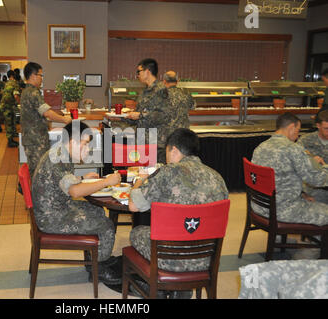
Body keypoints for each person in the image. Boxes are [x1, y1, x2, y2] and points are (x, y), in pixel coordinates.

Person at [128, 128, 229, 298]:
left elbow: (133, 206)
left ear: (174, 150)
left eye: (166, 152)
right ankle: (180, 290)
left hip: (169, 258)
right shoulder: (218, 177)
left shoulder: (168, 172)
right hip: (206, 258)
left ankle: (158, 287)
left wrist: (138, 183)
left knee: (136, 232)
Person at [32, 121, 122, 285]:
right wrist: (107, 181)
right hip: (52, 218)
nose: (87, 149)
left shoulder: (60, 153)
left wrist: (81, 178)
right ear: (72, 142)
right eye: (85, 144)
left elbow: (63, 182)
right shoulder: (59, 159)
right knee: (107, 225)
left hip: (54, 208)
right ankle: (98, 268)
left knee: (97, 211)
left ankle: (96, 257)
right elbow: (74, 192)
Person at [252, 112, 328, 226]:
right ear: (291, 128)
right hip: (283, 209)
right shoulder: (293, 149)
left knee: (314, 199)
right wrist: (325, 167)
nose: (297, 136)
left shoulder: (261, 147)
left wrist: (302, 193)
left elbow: (280, 179)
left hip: (260, 206)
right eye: (298, 130)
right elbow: (317, 180)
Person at [20, 62, 72, 177]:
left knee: (36, 169)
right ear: (33, 76)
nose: (42, 79)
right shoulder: (33, 92)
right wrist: (65, 120)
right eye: (41, 75)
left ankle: (27, 189)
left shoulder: (27, 91)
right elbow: (47, 113)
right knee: (38, 172)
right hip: (35, 140)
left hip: (33, 138)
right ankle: (30, 192)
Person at [119, 58, 170, 164]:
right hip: (142, 141)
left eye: (139, 71)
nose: (137, 75)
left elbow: (163, 115)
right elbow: (138, 117)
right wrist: (122, 117)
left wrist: (140, 115)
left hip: (155, 143)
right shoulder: (144, 92)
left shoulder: (161, 90)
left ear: (147, 71)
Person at [297, 110, 328, 204]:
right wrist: (310, 161)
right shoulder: (305, 140)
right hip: (314, 188)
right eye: (326, 128)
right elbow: (295, 165)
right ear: (318, 126)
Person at [0, 70, 20, 148]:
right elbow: (16, 95)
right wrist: (19, 103)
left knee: (10, 121)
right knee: (9, 123)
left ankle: (11, 137)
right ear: (13, 75)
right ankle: (10, 141)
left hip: (4, 105)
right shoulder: (15, 84)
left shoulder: (7, 83)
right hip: (8, 106)